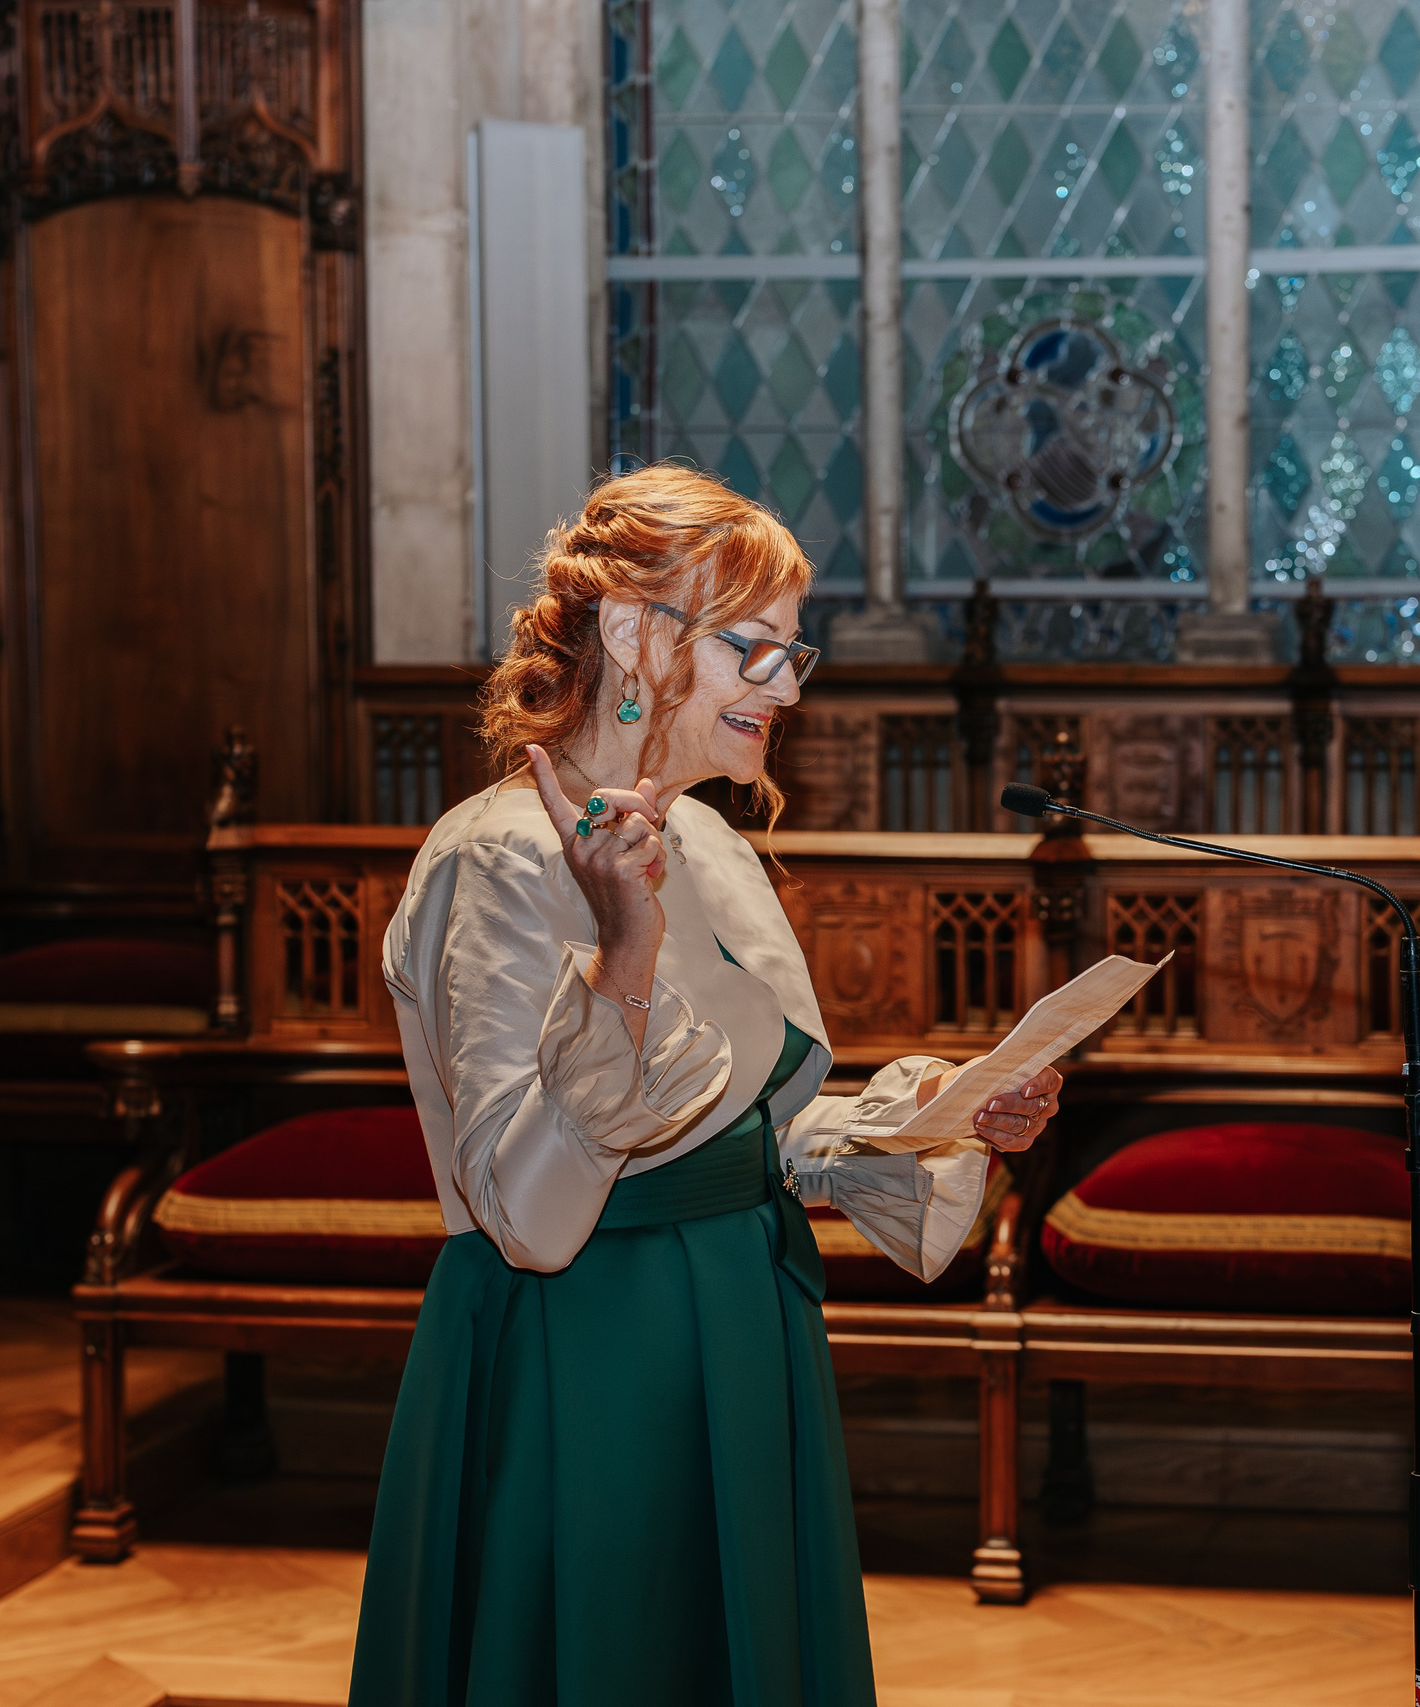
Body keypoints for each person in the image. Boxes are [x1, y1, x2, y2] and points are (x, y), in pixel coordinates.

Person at [350, 465, 1064, 1706]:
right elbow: (526, 1211)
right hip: (587, 1351)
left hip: (740, 1320)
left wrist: (941, 1122)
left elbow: (752, 1130)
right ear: (633, 636)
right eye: (755, 649)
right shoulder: (501, 860)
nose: (784, 686)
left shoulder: (707, 839)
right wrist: (623, 949)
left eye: (796, 653)